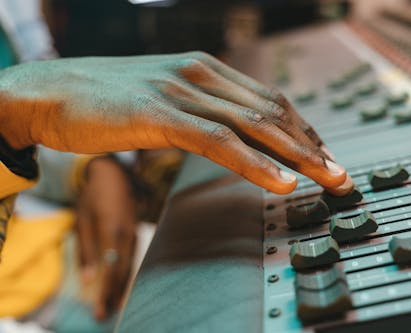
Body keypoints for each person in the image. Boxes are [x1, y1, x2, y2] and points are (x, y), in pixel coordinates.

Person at [0, 44, 354, 323]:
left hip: (50, 229)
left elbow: (44, 97)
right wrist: (9, 116)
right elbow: (21, 101)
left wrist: (94, 164)